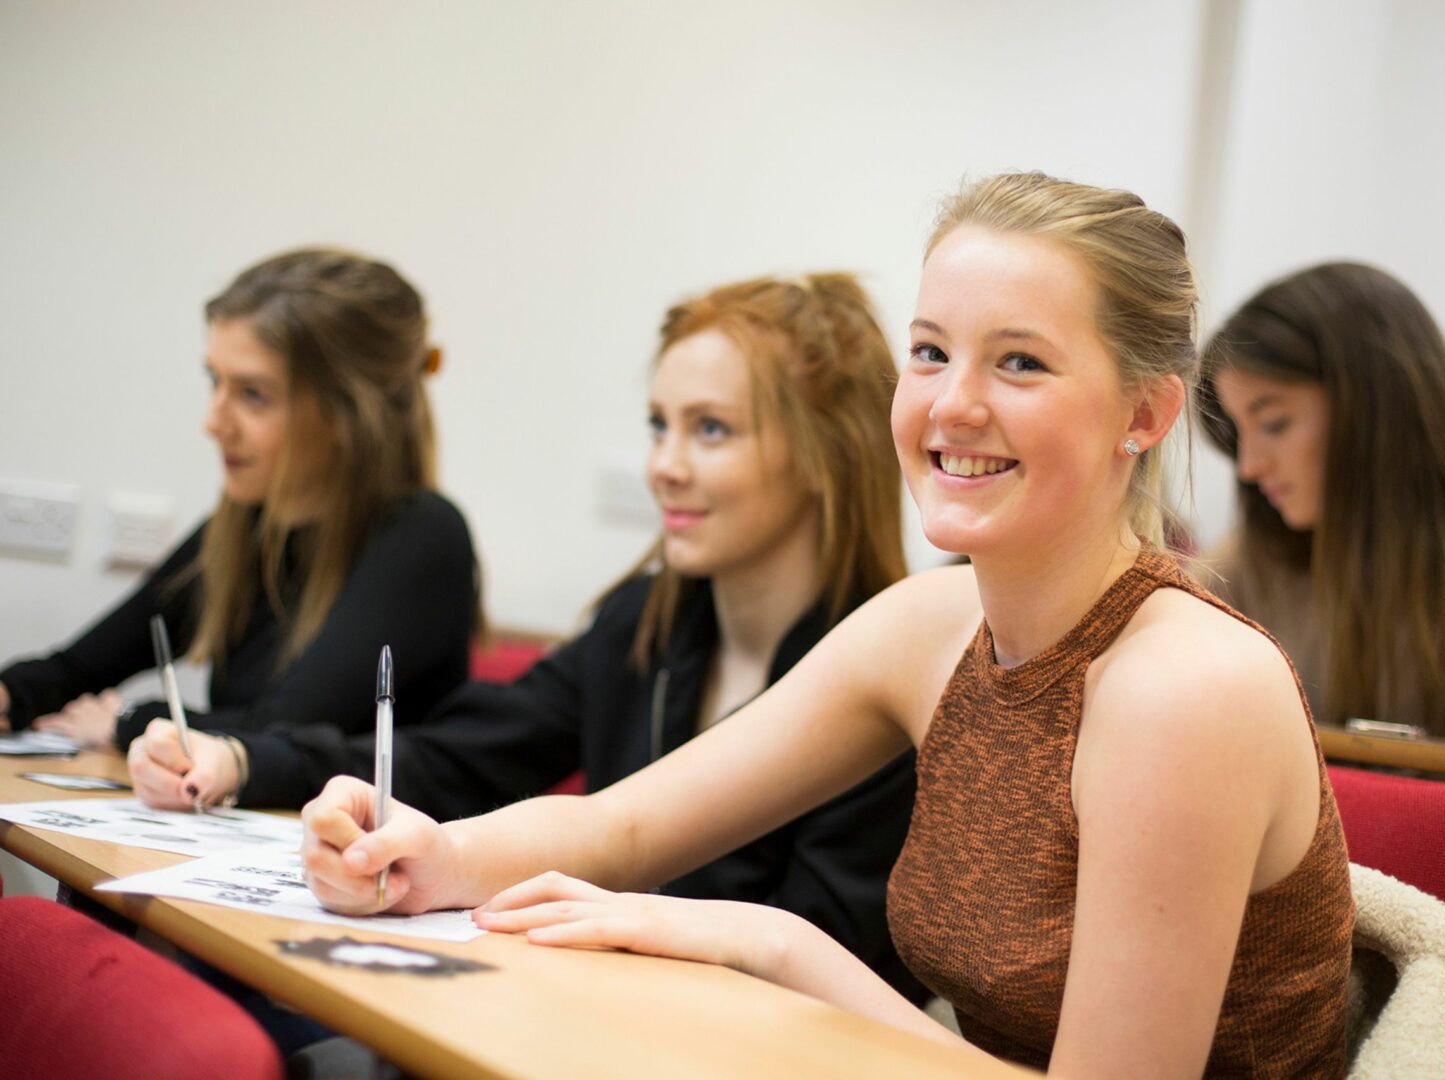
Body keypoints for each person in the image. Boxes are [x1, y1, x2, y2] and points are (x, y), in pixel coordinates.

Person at [301, 173, 1354, 1077]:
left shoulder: (1184, 688)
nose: (952, 405)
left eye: (1020, 362)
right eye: (932, 352)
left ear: (1145, 415)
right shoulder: (931, 624)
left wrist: (767, 942)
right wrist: (421, 855)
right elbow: (621, 827)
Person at [130, 273, 925, 1001]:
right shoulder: (639, 624)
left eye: (711, 430)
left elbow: (826, 967)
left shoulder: (892, 675)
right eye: (659, 426)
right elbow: (461, 754)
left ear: (827, 454)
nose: (663, 465)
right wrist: (247, 760)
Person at [0, 249, 479, 762]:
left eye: (252, 394)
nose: (213, 422)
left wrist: (127, 720)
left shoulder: (423, 535)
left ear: (347, 414)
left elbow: (280, 732)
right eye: (215, 381)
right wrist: (13, 694)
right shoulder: (247, 524)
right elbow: (76, 671)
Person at [1195, 262, 1445, 754]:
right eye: (1239, 432)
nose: (1249, 467)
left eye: (1276, 423)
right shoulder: (1239, 577)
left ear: (1377, 417)